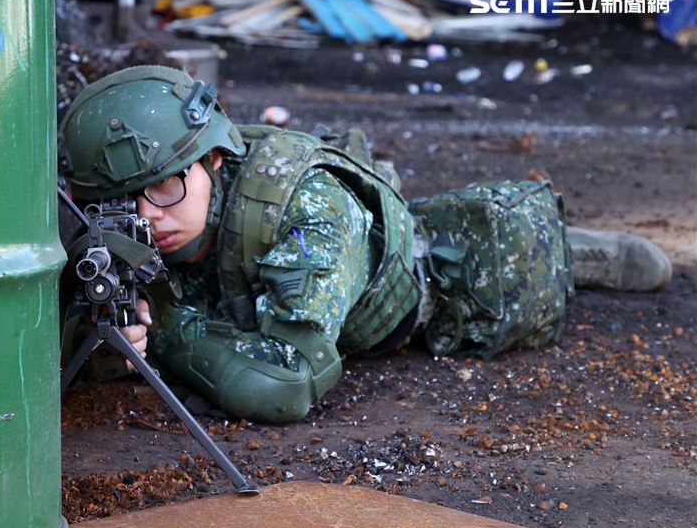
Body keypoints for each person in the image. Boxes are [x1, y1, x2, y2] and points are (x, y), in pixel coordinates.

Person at [58, 65, 671, 423]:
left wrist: (163, 329)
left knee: (520, 261)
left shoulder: (303, 209)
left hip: (441, 288)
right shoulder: (134, 221)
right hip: (274, 284)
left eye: (165, 185)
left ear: (213, 159)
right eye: (121, 201)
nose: (147, 216)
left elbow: (289, 383)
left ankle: (576, 252)